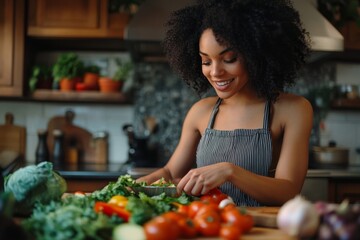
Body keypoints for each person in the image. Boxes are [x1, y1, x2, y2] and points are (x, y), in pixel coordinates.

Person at [137, 0, 313, 206]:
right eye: (206, 61)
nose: (215, 72)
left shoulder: (292, 109)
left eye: (229, 59)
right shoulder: (201, 111)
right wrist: (126, 188)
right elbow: (169, 172)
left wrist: (230, 172)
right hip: (209, 227)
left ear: (256, 54)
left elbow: (289, 191)